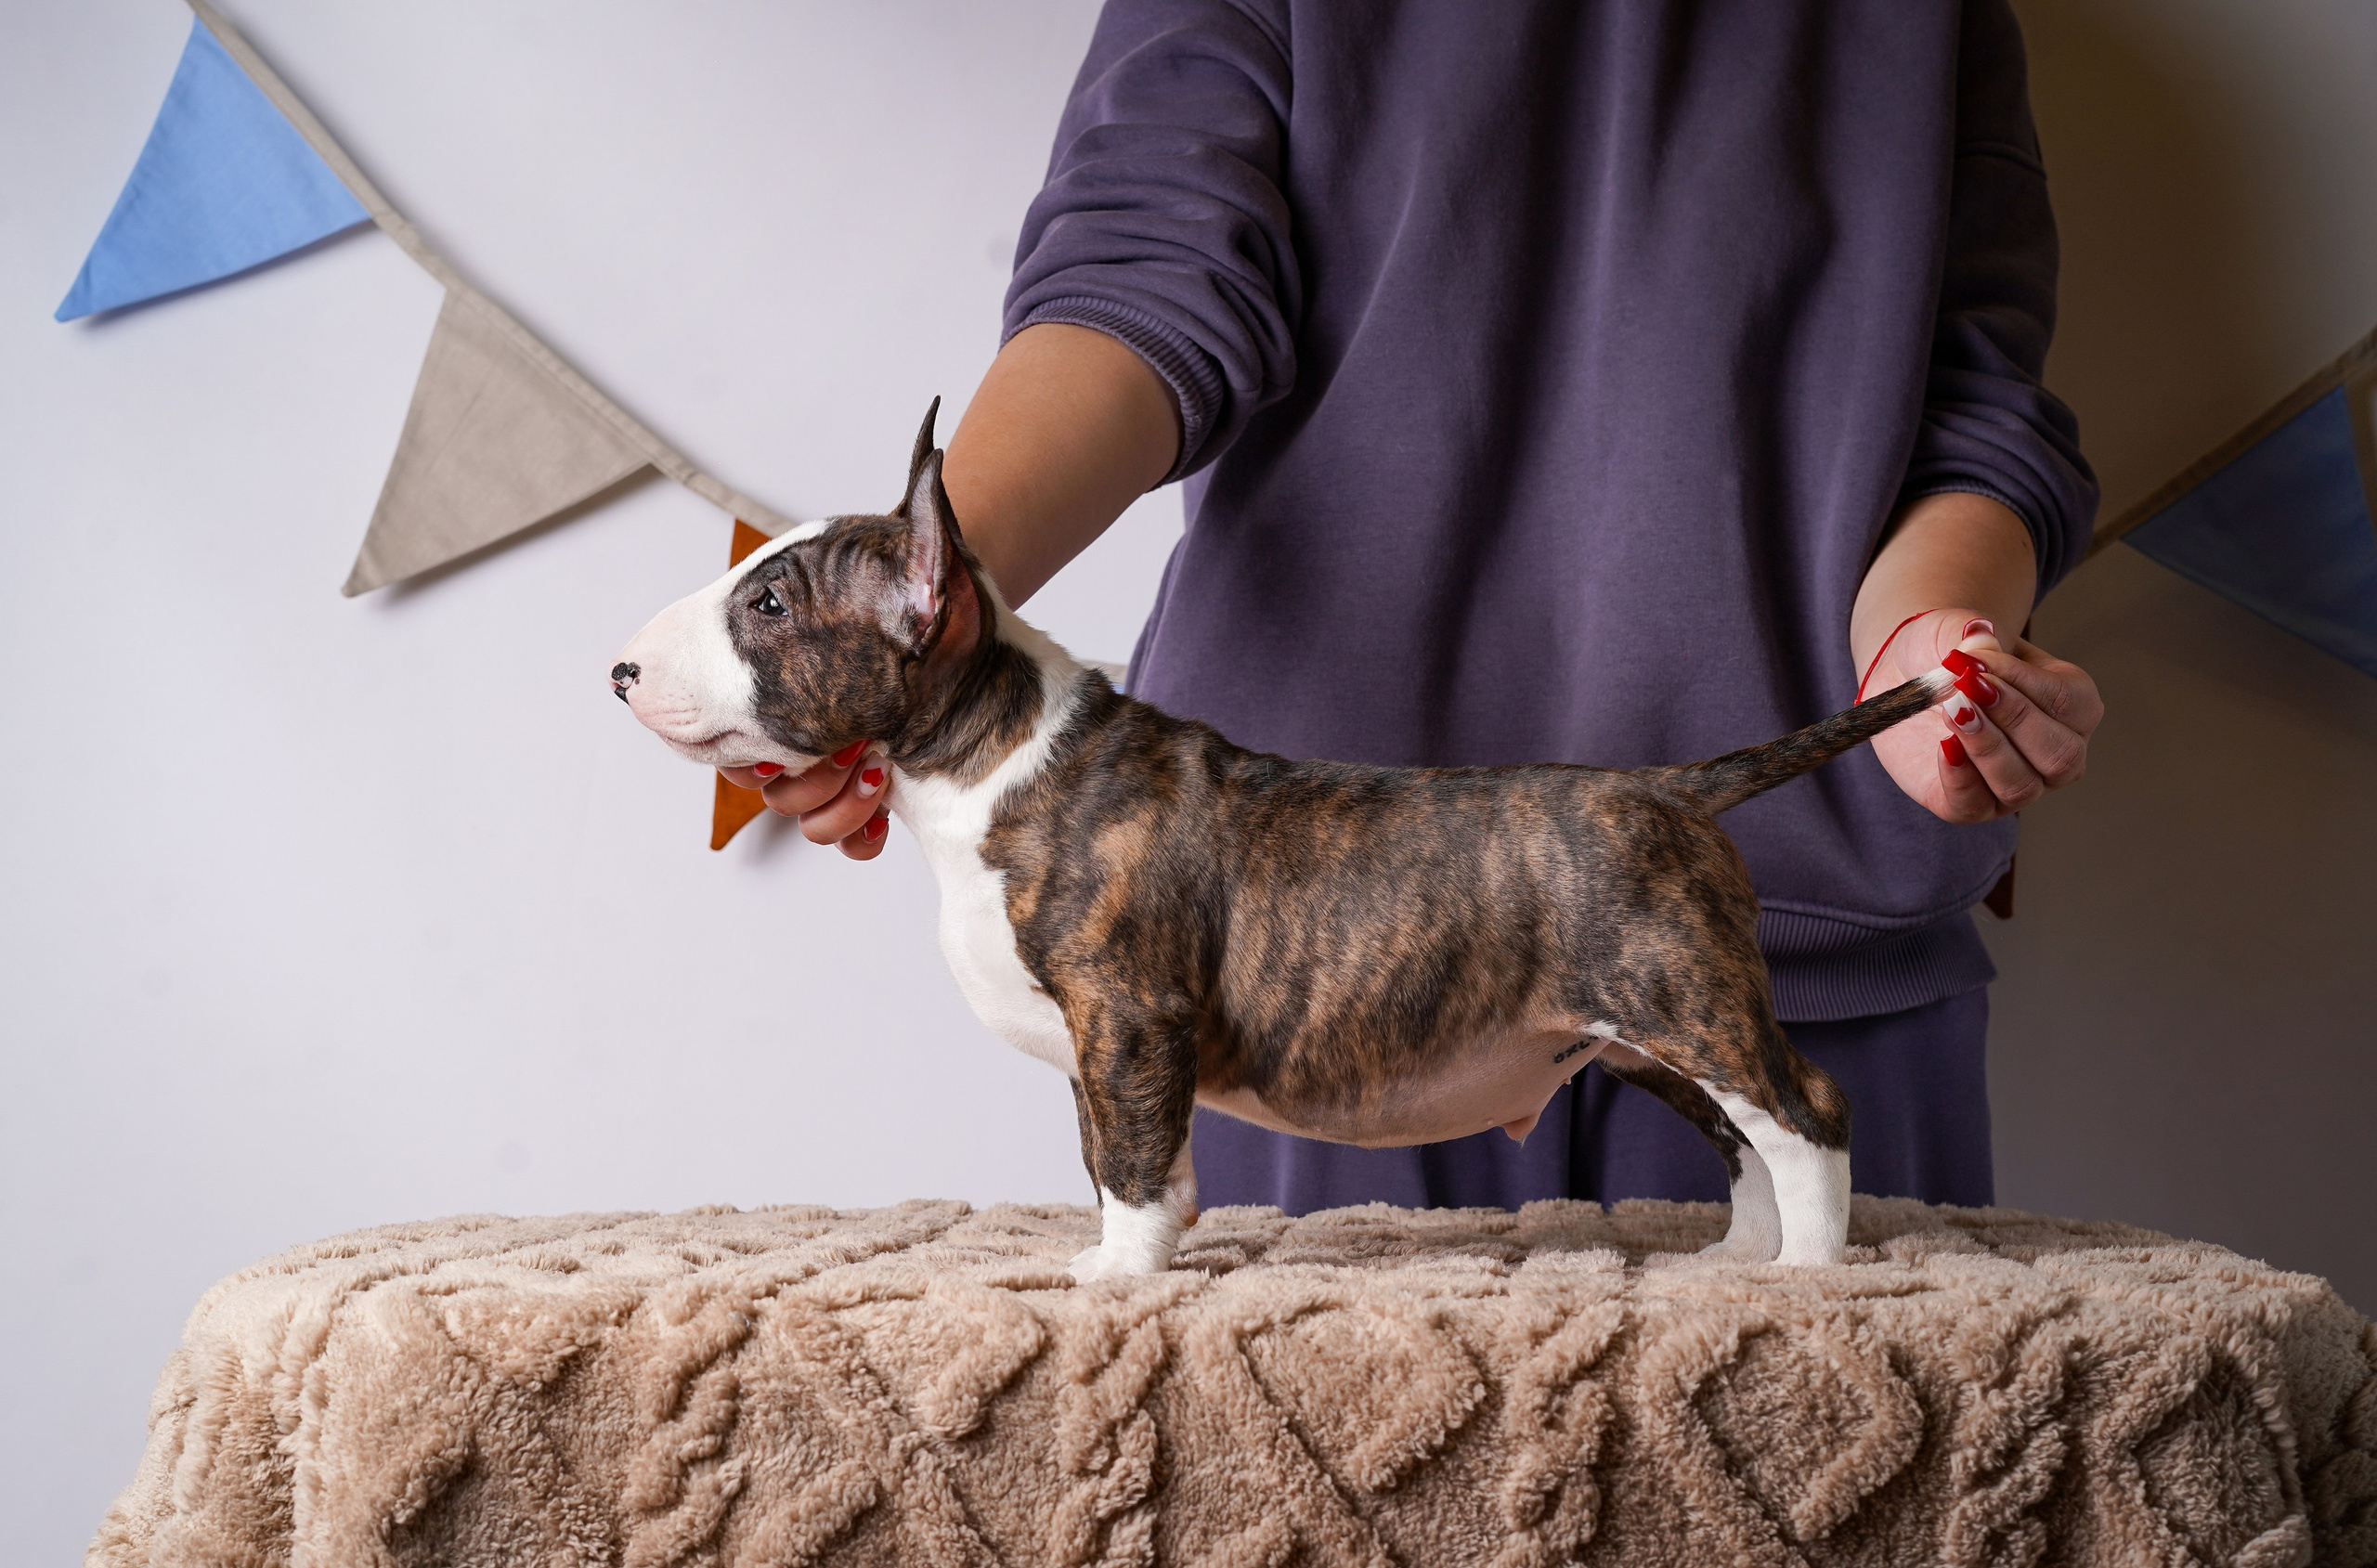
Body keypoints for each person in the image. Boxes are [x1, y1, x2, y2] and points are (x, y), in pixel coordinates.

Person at [723, 0, 2104, 1215]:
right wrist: (911, 627)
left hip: (1792, 953)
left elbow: (1973, 414)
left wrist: (1927, 646)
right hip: (1309, 955)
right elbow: (1144, 283)